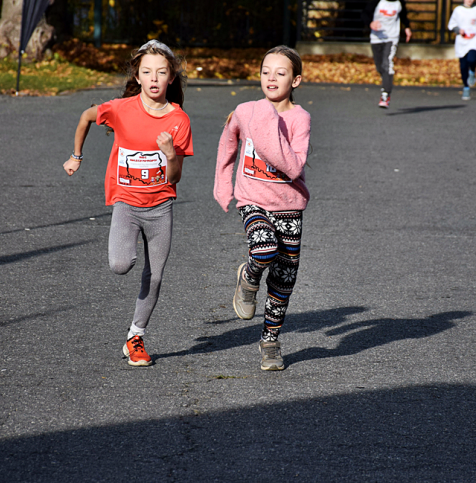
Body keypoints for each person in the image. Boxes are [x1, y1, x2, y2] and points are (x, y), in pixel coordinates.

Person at [62, 40, 193, 367]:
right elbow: (86, 116)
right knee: (121, 264)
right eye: (147, 71)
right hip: (126, 203)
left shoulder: (179, 121)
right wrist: (76, 156)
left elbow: (175, 177)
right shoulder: (122, 109)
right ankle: (134, 331)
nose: (153, 78)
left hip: (161, 207)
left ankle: (136, 337)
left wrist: (170, 154)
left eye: (161, 72)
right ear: (137, 74)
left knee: (156, 276)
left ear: (171, 78)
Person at [214, 46, 311, 371]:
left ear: (296, 79)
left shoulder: (300, 119)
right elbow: (228, 142)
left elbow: (294, 167)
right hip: (252, 199)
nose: (271, 77)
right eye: (266, 71)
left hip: (289, 207)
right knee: (264, 247)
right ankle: (249, 276)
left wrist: (269, 122)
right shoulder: (247, 110)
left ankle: (270, 340)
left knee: (284, 280)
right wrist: (223, 184)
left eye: (281, 73)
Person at [361, 0, 412, 109]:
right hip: (377, 38)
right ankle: (386, 83)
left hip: (392, 37)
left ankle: (385, 94)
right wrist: (371, 23)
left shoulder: (399, 1)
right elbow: (365, 14)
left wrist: (407, 28)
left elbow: (404, 15)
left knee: (387, 63)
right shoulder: (378, 1)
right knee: (380, 67)